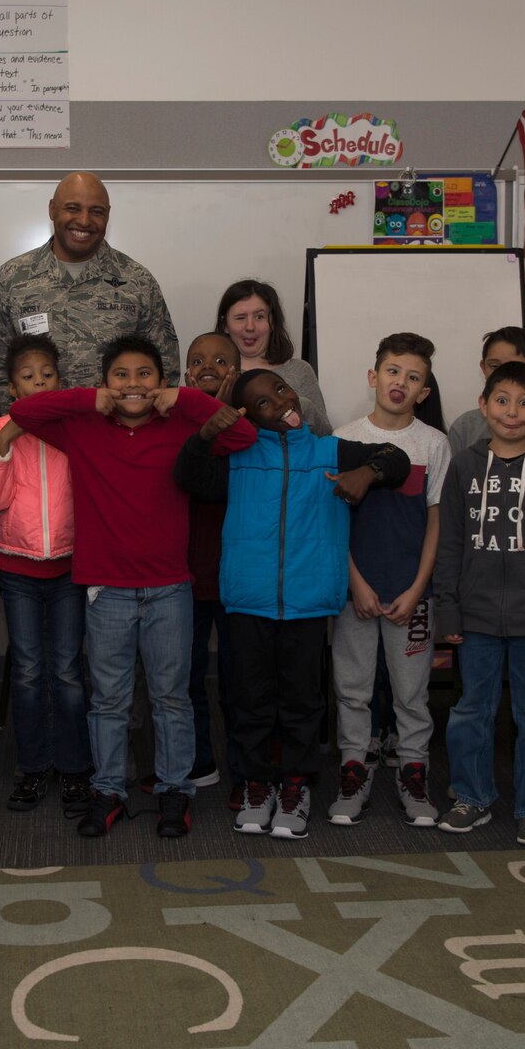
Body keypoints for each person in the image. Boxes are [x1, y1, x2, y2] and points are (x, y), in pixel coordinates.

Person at [10, 335, 258, 839]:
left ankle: (174, 791)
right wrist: (89, 398)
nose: (133, 385)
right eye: (120, 375)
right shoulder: (81, 428)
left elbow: (244, 436)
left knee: (171, 698)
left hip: (170, 588)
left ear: (162, 383)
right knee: (108, 700)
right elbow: (27, 410)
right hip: (106, 591)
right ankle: (108, 790)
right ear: (105, 384)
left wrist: (184, 398)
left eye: (145, 374)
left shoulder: (182, 423)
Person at [176, 368, 409, 840]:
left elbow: (396, 458)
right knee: (250, 700)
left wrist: (366, 473)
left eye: (280, 390)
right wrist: (205, 434)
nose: (280, 402)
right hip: (248, 600)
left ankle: (297, 786)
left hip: (307, 602)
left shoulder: (330, 449)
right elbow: (188, 476)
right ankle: (256, 783)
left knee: (303, 702)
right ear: (248, 416)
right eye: (263, 402)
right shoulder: (236, 456)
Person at [434, 362, 525, 847]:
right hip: (474, 620)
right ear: (483, 404)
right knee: (471, 710)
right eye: (501, 399)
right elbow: (450, 543)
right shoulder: (466, 465)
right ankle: (472, 797)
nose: (511, 412)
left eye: (523, 402)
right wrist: (448, 611)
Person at [330, 333, 452, 829]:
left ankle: (413, 775)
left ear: (424, 391)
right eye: (393, 371)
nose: (400, 382)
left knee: (412, 694)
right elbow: (334, 525)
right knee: (353, 690)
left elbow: (437, 523)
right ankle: (353, 774)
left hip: (410, 596)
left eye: (413, 376)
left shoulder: (434, 444)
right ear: (373, 376)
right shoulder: (342, 440)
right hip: (354, 593)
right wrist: (355, 584)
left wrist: (418, 589)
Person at [0, 335, 89, 814]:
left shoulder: (74, 427)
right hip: (17, 568)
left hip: (69, 568)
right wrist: (4, 441)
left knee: (66, 672)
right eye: (28, 376)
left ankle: (75, 768)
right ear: (12, 387)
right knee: (26, 673)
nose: (39, 382)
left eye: (48, 374)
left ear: (61, 381)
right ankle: (32, 767)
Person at [0, 172, 178, 409]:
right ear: (52, 209)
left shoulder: (138, 281)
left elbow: (165, 368)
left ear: (108, 215)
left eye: (96, 211)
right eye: (73, 208)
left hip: (114, 436)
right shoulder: (12, 278)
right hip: (35, 436)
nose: (84, 221)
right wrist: (26, 423)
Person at [181, 333, 243, 802]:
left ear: (235, 375)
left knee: (241, 681)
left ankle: (247, 769)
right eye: (198, 360)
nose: (208, 367)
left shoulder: (248, 430)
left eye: (221, 361)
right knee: (186, 679)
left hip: (238, 576)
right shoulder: (176, 425)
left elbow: (220, 487)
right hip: (183, 576)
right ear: (185, 375)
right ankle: (199, 761)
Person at [216, 279, 331, 436]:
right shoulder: (216, 375)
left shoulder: (299, 370)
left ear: (273, 322)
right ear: (224, 325)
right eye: (241, 317)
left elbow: (325, 435)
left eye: (259, 317)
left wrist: (302, 406)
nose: (250, 327)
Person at [445, 327, 525, 456]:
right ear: (483, 368)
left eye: (518, 368)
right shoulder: (465, 428)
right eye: (495, 366)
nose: (505, 375)